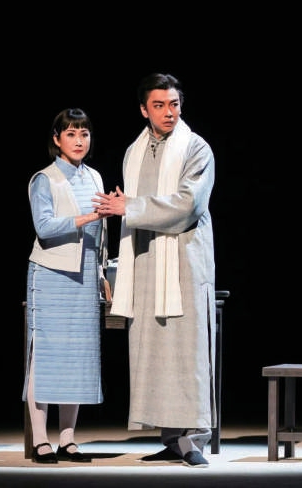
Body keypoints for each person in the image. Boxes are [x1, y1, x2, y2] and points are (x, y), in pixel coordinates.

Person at [93, 72, 217, 468]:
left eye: (174, 104)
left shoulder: (195, 148)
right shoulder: (134, 151)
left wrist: (129, 206)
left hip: (182, 261)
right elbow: (132, 201)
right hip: (146, 262)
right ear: (144, 110)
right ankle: (171, 438)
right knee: (155, 351)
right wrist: (122, 204)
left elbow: (188, 205)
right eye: (159, 105)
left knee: (186, 351)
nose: (169, 112)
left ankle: (192, 440)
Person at [23, 108, 111, 464]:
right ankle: (40, 440)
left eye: (84, 133)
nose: (79, 140)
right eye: (71, 134)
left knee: (76, 357)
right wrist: (88, 216)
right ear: (57, 139)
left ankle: (68, 439)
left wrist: (102, 273)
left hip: (85, 275)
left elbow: (101, 234)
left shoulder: (95, 177)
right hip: (51, 273)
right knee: (44, 357)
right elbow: (44, 227)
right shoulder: (45, 179)